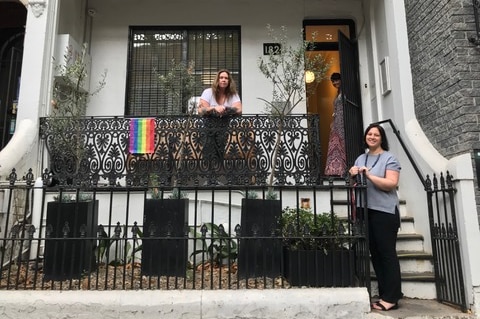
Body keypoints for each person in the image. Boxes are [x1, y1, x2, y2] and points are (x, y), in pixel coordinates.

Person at [349, 123, 403, 311]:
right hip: (366, 210)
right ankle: (384, 294)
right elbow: (355, 184)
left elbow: (391, 184)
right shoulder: (360, 157)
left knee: (387, 253)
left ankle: (392, 297)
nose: (372, 137)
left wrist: (369, 175)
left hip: (385, 212)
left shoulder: (389, 158)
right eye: (369, 134)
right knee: (376, 254)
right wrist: (352, 174)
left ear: (381, 138)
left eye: (376, 135)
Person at [197, 70, 242, 184]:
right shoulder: (208, 92)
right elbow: (201, 110)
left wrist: (226, 108)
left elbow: (239, 109)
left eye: (226, 78)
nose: (223, 80)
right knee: (209, 151)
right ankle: (209, 179)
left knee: (219, 152)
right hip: (208, 127)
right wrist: (214, 108)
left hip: (224, 127)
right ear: (217, 80)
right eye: (221, 77)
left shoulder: (233, 94)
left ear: (229, 81)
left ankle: (215, 179)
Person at [324, 72, 347, 176]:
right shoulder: (339, 92)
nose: (335, 82)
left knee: (342, 143)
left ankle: (344, 169)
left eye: (337, 80)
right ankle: (336, 170)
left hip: (342, 121)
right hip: (337, 121)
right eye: (333, 81)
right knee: (336, 144)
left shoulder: (345, 92)